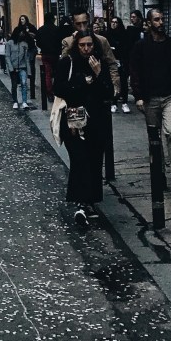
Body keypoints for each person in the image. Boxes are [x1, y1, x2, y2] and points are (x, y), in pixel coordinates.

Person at [54, 30, 115, 226]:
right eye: (82, 45)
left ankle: (89, 201)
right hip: (73, 120)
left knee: (95, 160)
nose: (86, 49)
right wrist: (83, 81)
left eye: (89, 45)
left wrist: (98, 74)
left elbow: (109, 92)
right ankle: (80, 202)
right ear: (76, 46)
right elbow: (58, 88)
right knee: (80, 159)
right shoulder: (68, 63)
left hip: (96, 121)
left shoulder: (99, 63)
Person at [130, 8, 171, 195]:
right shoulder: (141, 47)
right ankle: (159, 175)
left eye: (162, 19)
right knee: (154, 139)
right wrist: (138, 96)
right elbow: (135, 73)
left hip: (168, 97)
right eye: (156, 20)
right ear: (149, 24)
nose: (161, 23)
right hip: (150, 99)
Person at [108, 16, 134, 113]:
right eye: (112, 22)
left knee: (123, 82)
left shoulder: (124, 35)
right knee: (114, 82)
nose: (114, 24)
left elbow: (126, 48)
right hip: (112, 62)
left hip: (122, 62)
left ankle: (124, 102)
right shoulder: (108, 35)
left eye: (116, 22)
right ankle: (114, 103)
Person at [6, 23, 34, 111]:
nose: (22, 34)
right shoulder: (9, 43)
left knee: (24, 83)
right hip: (13, 67)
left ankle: (24, 101)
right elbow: (7, 56)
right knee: (14, 84)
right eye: (21, 32)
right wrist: (10, 67)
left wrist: (29, 71)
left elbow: (26, 58)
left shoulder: (24, 44)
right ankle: (15, 101)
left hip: (23, 67)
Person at [36, 13, 63, 98]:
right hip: (55, 54)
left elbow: (38, 43)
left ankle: (49, 92)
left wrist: (43, 47)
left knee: (47, 74)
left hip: (46, 54)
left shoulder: (41, 30)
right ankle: (55, 90)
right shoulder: (57, 29)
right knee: (57, 73)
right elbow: (60, 41)